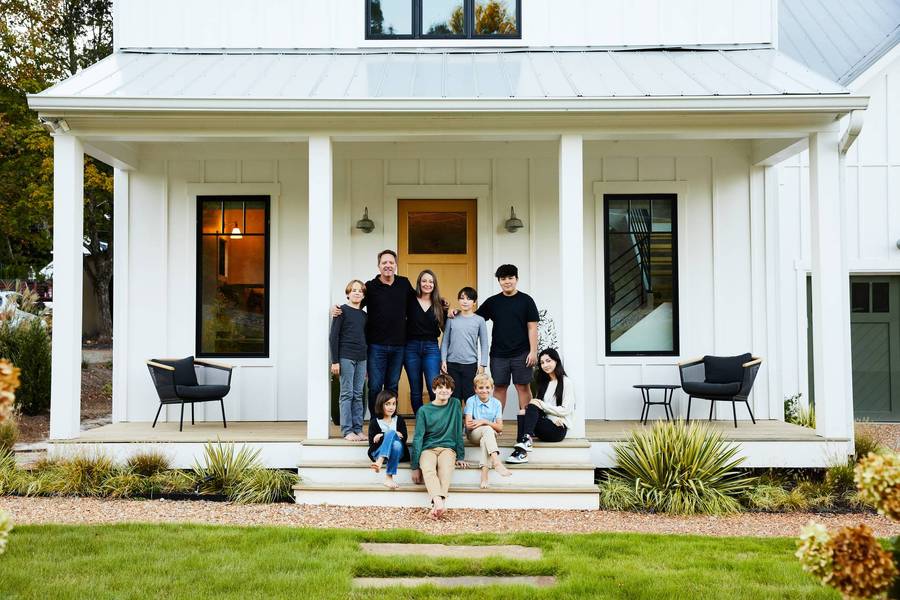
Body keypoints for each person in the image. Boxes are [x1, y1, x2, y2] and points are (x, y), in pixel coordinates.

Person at [334, 250, 415, 416]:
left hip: (399, 345)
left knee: (392, 385)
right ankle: (376, 422)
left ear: (395, 265)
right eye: (384, 263)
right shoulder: (370, 286)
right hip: (376, 346)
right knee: (375, 386)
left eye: (391, 262)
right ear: (378, 266)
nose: (388, 265)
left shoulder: (404, 284)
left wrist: (442, 305)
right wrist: (336, 309)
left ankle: (390, 420)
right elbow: (354, 303)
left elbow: (418, 303)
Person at [476, 264, 539, 414]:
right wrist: (457, 313)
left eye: (510, 278)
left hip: (522, 353)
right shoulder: (493, 302)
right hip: (498, 354)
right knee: (499, 387)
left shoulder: (526, 301)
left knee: (523, 386)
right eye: (503, 278)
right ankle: (496, 424)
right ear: (499, 281)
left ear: (516, 279)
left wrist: (533, 351)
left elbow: (533, 328)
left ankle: (526, 426)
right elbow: (474, 319)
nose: (507, 281)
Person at [410, 373, 467, 519]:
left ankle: (438, 504)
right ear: (434, 390)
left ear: (452, 391)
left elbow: (458, 430)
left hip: (448, 447)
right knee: (428, 469)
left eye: (448, 388)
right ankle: (439, 502)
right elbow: (418, 438)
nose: (444, 390)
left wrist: (460, 455)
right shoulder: (424, 410)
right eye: (440, 387)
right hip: (428, 448)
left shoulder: (455, 404)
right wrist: (415, 466)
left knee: (445, 469)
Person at [506, 348, 573, 464]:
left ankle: (522, 449)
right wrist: (550, 416)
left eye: (548, 361)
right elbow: (539, 411)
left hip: (557, 430)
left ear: (556, 361)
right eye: (542, 363)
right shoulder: (543, 384)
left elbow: (566, 410)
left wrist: (542, 406)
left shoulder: (566, 382)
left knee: (533, 404)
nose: (545, 365)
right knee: (523, 412)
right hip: (548, 423)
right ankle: (522, 449)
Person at [329, 280, 367, 441]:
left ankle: (358, 429)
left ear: (363, 295)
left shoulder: (364, 315)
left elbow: (366, 337)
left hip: (362, 358)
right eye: (354, 290)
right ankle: (347, 430)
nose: (357, 293)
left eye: (360, 291)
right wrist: (335, 361)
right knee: (347, 394)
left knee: (358, 394)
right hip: (346, 357)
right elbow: (333, 337)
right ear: (348, 293)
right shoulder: (341, 311)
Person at [404, 269, 446, 414]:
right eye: (424, 281)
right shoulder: (409, 300)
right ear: (419, 283)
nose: (427, 284)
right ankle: (421, 420)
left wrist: (453, 312)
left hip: (431, 348)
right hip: (411, 348)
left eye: (430, 281)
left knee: (433, 386)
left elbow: (447, 327)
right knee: (415, 388)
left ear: (434, 285)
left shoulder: (439, 304)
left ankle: (436, 419)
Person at [441, 287, 488, 402]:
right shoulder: (452, 318)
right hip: (452, 364)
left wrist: (482, 364)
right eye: (462, 298)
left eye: (468, 299)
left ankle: (469, 420)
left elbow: (484, 343)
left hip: (470, 364)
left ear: (474, 302)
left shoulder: (479, 320)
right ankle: (455, 420)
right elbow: (445, 341)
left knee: (470, 396)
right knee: (453, 396)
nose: (465, 301)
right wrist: (443, 360)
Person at [464, 374, 511, 488]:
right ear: (475, 389)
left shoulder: (497, 403)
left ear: (492, 388)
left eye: (487, 387)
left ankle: (484, 476)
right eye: (480, 388)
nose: (484, 391)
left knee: (486, 436)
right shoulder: (471, 401)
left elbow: (500, 427)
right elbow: (469, 425)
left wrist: (483, 421)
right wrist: (490, 425)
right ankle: (496, 462)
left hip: (487, 434)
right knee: (488, 430)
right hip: (473, 434)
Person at [367, 390, 410, 489]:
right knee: (395, 442)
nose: (391, 407)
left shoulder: (399, 419)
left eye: (394, 404)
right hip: (377, 452)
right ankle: (389, 478)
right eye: (387, 404)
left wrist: (382, 435)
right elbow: (372, 444)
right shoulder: (375, 422)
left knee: (397, 443)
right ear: (380, 405)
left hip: (397, 453)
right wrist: (393, 433)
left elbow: (404, 438)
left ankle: (380, 461)